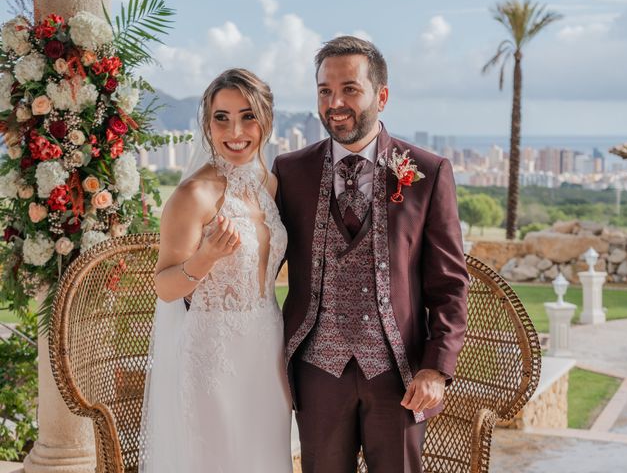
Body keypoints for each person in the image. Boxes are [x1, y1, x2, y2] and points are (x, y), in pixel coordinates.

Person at [272, 36, 469, 472]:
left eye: (349, 89)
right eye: (324, 90)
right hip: (316, 370)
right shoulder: (289, 171)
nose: (334, 102)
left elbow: (450, 285)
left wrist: (436, 369)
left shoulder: (427, 172)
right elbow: (261, 261)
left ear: (381, 95)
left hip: (399, 375)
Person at [139, 68, 292, 473]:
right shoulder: (192, 195)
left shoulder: (270, 187)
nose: (235, 130)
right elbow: (165, 288)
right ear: (207, 124)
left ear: (267, 121)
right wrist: (204, 258)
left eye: (248, 116)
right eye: (221, 117)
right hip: (213, 354)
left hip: (268, 350)